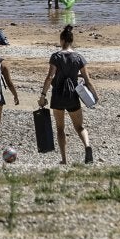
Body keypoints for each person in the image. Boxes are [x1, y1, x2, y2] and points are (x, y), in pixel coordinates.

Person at [39, 24, 99, 164]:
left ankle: (64, 159)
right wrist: (95, 96)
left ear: (62, 40)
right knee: (79, 127)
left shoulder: (56, 57)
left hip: (58, 96)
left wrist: (43, 95)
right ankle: (87, 146)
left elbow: (50, 77)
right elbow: (87, 80)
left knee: (60, 128)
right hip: (73, 96)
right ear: (71, 40)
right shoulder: (79, 57)